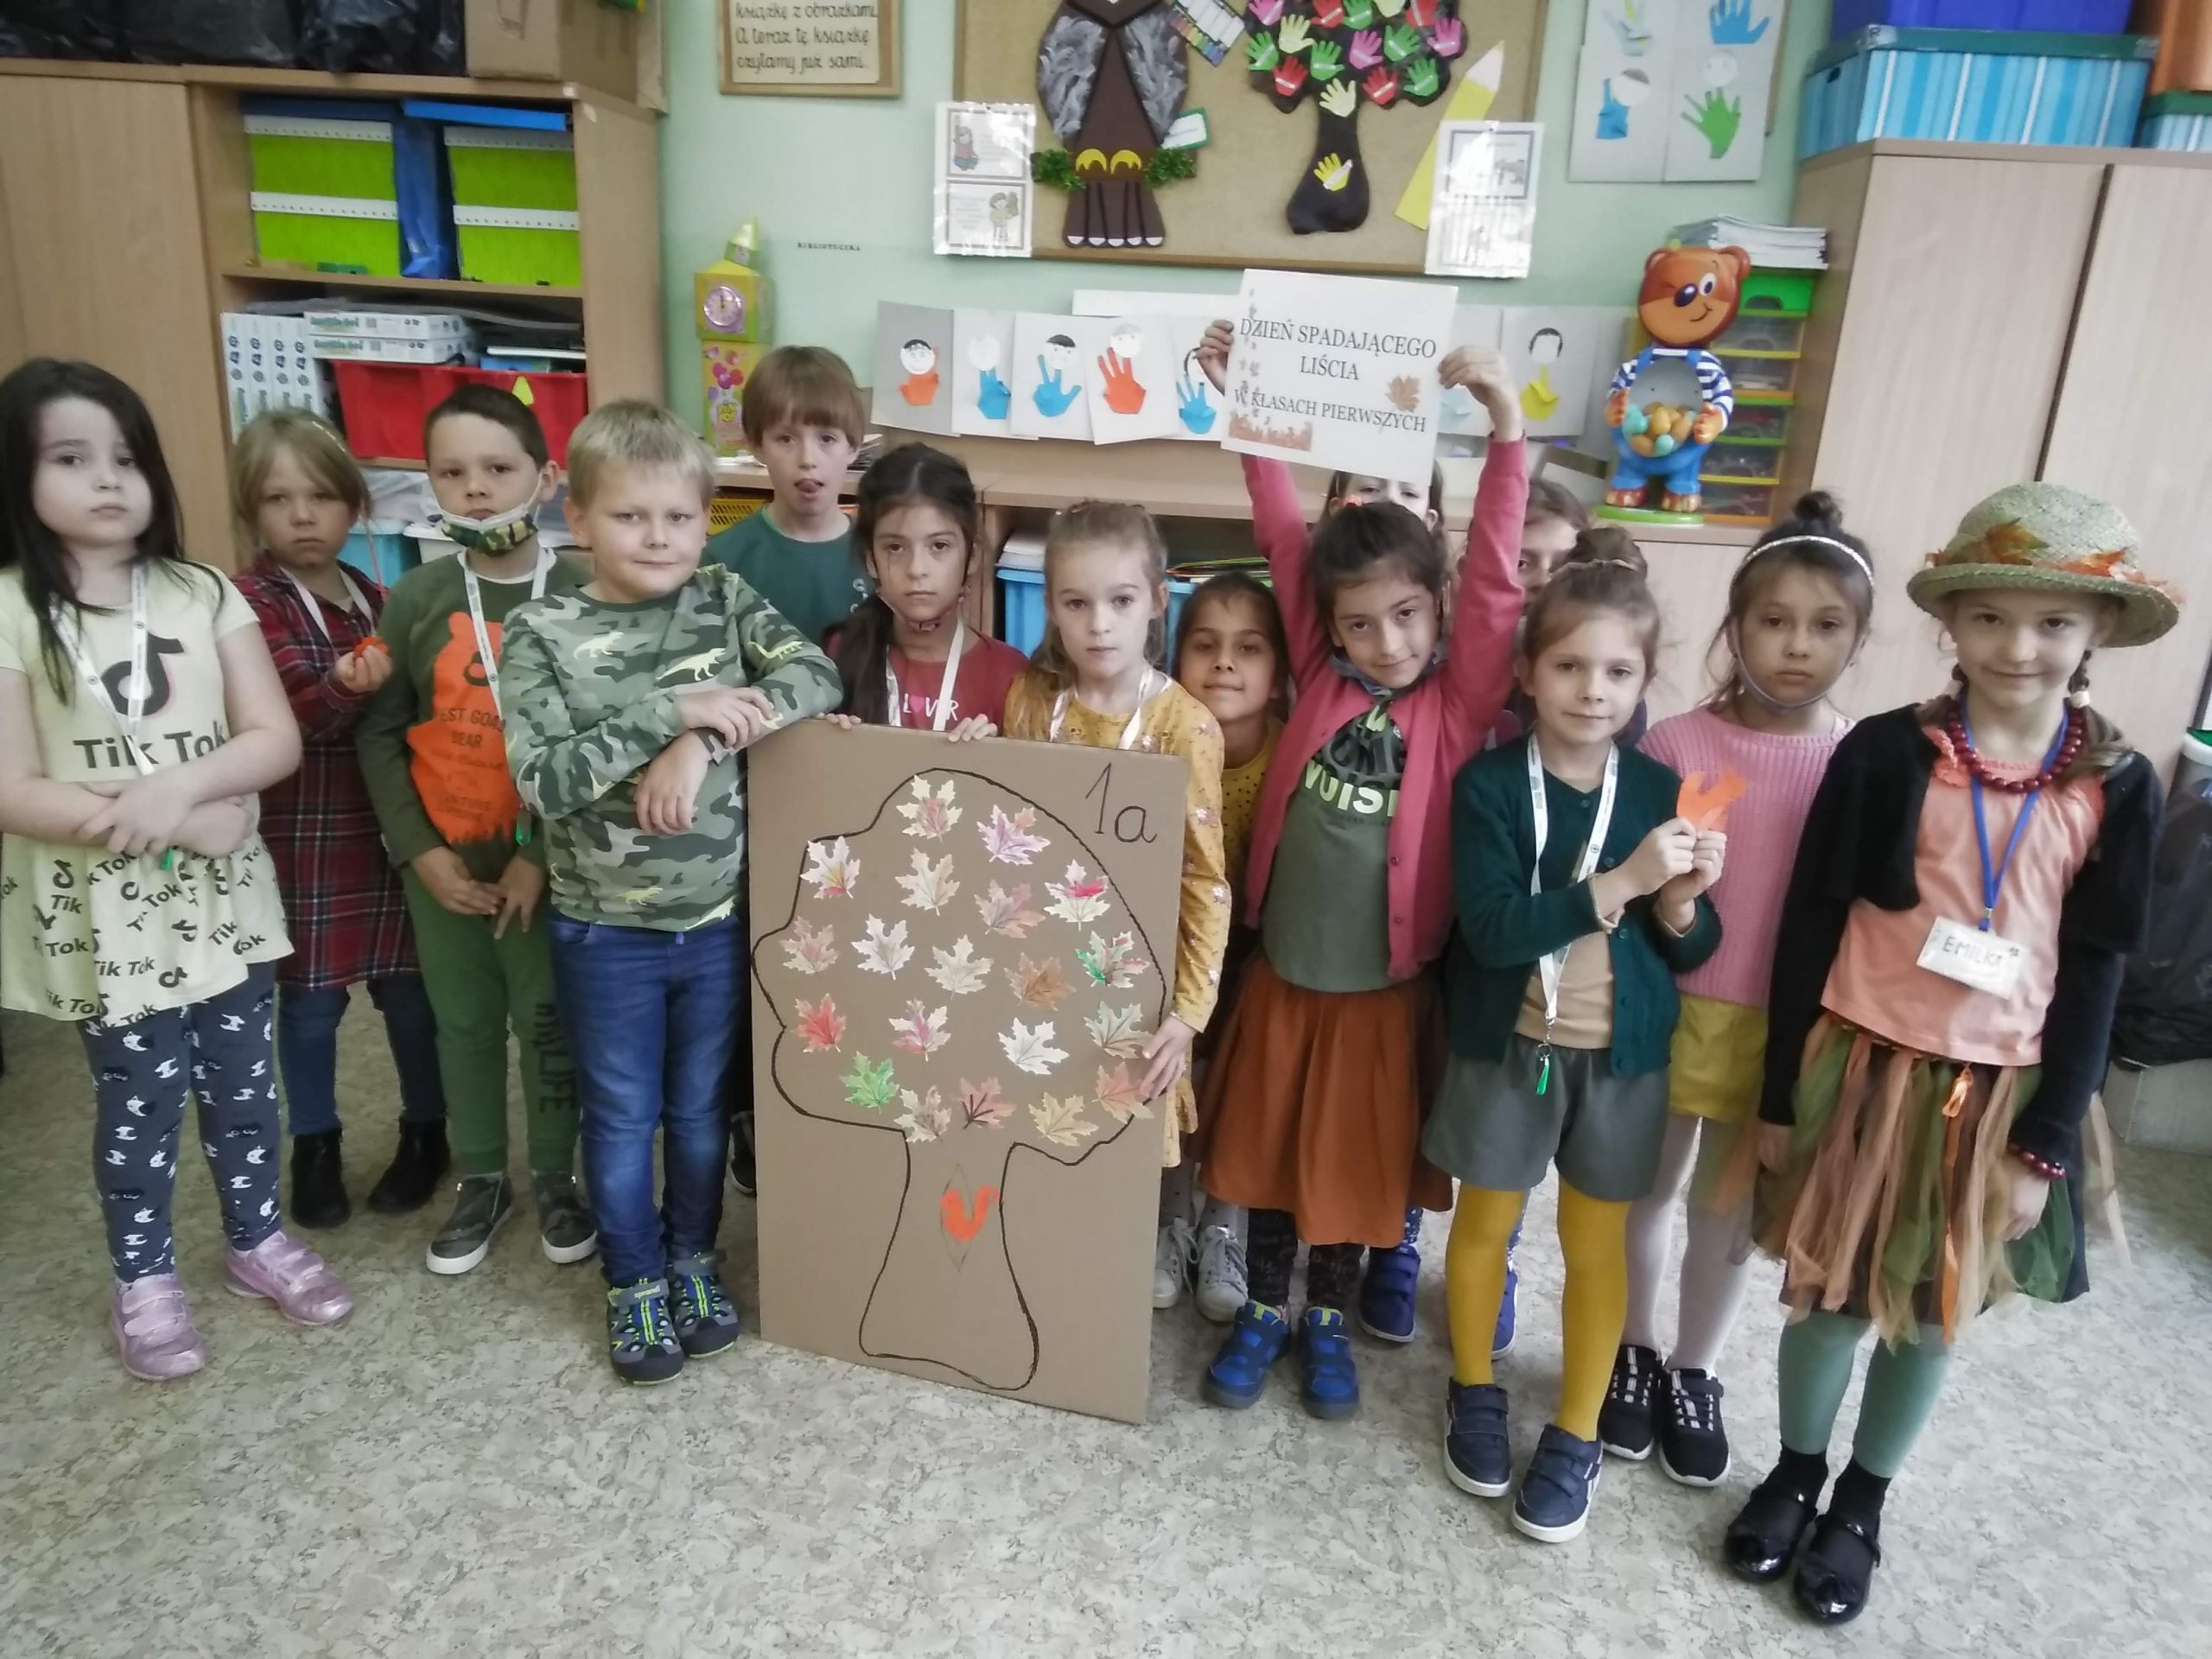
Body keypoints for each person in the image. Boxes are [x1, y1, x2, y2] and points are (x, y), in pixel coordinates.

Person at [1722, 483, 2173, 1625]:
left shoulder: (2117, 785)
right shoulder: (1886, 752)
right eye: (1990, 619)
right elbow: (1810, 920)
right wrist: (1778, 1092)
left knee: (1929, 1311)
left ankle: (1861, 1502)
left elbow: (2099, 970)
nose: (2018, 648)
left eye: (2053, 623)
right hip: (1857, 1067)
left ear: (2098, 630)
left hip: (1993, 1093)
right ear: (1951, 623)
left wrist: (2046, 1143)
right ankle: (1795, 1472)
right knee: (1826, 1296)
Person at [1191, 333, 1529, 1418]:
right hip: (1287, 981)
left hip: (1377, 1000)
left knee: (1350, 1170)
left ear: (1436, 607)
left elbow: (1495, 585)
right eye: (1359, 624)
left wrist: (1506, 428)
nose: (1385, 642)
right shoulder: (1320, 671)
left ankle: (1327, 1320)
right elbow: (1283, 536)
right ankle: (1264, 1310)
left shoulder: (1458, 703)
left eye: (1406, 616)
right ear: (1327, 629)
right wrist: (1248, 404)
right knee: (1269, 1161)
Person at [0, 358, 350, 1381]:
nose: (108, 480)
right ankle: (143, 1277)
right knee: (140, 1100)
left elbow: (272, 738)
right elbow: (12, 787)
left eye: (126, 458)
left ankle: (255, 1237)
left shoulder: (204, 594)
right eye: (72, 459)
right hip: (109, 911)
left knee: (246, 1084)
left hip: (220, 898)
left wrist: (187, 793)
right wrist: (172, 820)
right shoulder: (13, 608)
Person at [500, 401, 842, 1383]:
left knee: (698, 1115)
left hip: (716, 924)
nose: (658, 538)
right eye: (630, 517)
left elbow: (815, 677)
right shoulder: (542, 629)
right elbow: (544, 780)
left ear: (704, 519)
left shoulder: (723, 598)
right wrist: (668, 710)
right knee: (620, 1119)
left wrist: (702, 741)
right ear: (577, 517)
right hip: (603, 933)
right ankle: (634, 1279)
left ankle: (692, 1260)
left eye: (679, 518)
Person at [1428, 535, 1725, 1543]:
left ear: (1644, 681)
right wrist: (1623, 882)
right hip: (1511, 1043)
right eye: (1567, 666)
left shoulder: (1655, 791)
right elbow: (1491, 929)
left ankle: (1577, 1428)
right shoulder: (1489, 785)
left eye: (1617, 672)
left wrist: (1679, 903)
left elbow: (1692, 948)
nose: (1591, 690)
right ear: (1526, 671)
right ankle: (1473, 1386)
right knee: (1484, 1225)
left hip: (1621, 1062)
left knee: (1596, 1246)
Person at [1601, 495, 1872, 1487]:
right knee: (1641, 1192)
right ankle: (1631, 1347)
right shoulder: (1674, 745)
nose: (1797, 645)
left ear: (1857, 638)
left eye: (1825, 625)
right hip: (1668, 1009)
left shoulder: (1859, 757)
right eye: (1774, 620)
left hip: (1784, 1031)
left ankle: (1694, 1368)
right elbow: (1632, 890)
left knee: (1726, 1214)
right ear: (1736, 625)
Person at [356, 385, 592, 1277]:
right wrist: (421, 853)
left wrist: (537, 856)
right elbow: (380, 733)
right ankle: (483, 1178)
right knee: (462, 1023)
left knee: (546, 1020)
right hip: (444, 862)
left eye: (498, 468)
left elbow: (600, 742)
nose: (477, 490)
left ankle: (557, 1177)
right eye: (452, 474)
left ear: (547, 477)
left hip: (549, 861)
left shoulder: (581, 592)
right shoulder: (417, 598)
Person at [229, 410, 448, 1227]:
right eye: (278, 499)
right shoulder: (246, 604)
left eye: (320, 496)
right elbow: (289, 712)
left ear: (354, 505)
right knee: (312, 1004)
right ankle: (314, 1145)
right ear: (252, 510)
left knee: (410, 995)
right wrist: (345, 685)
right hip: (305, 834)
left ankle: (427, 1130)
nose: (302, 516)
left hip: (393, 827)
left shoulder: (382, 598)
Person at [1002, 502, 1230, 1198]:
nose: (1099, 623)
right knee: (1032, 1150)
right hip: (1035, 975)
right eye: (1077, 603)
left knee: (1115, 1169)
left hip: (1135, 989)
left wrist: (1188, 1014)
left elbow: (1204, 880)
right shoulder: (1031, 701)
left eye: (1121, 601)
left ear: (1157, 601)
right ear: (1051, 608)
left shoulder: (1185, 727)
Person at [1155, 572, 1289, 1322]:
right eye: (1204, 645)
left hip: (1260, 950)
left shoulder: (1290, 755)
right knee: (1181, 1071)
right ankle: (1171, 1219)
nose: (1225, 663)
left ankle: (1225, 1226)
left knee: (1241, 1080)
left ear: (1279, 671)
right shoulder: (1164, 744)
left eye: (1249, 648)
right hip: (1177, 944)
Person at [826, 442, 1026, 735]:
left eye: (939, 546)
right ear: (871, 560)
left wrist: (994, 755)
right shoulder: (838, 655)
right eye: (895, 547)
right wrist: (827, 738)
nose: (917, 569)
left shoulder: (1009, 674)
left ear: (971, 556)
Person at [702, 345, 871, 645]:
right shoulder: (721, 562)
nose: (807, 459)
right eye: (786, 438)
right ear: (757, 446)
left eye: (827, 438)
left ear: (853, 446)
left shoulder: (879, 555)